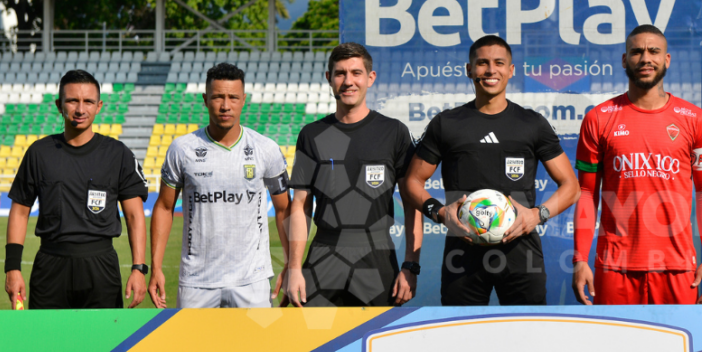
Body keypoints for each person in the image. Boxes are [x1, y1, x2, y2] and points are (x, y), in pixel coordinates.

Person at [403, 35, 579, 306]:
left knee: (528, 330)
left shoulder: (532, 123)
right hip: (462, 255)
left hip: (522, 253)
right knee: (460, 330)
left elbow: (571, 186)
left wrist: (538, 215)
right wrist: (440, 213)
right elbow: (412, 181)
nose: (490, 70)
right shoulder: (446, 123)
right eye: (482, 63)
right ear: (469, 69)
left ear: (511, 70)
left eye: (499, 63)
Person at [572, 25, 702, 305]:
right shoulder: (598, 119)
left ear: (667, 59)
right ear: (624, 59)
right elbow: (587, 194)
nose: (645, 58)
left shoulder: (695, 119)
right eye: (637, 52)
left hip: (678, 266)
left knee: (676, 336)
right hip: (615, 266)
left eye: (654, 51)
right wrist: (580, 258)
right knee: (616, 336)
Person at [283, 42, 421, 307]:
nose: (348, 81)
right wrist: (294, 268)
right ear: (329, 78)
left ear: (370, 77)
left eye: (356, 73)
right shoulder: (311, 135)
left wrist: (410, 266)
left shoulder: (394, 132)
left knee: (377, 333)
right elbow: (300, 206)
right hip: (324, 253)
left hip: (377, 254)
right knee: (315, 332)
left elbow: (412, 204)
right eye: (340, 73)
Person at [147, 62, 291, 309]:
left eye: (233, 97)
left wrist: (291, 265)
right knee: (193, 338)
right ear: (205, 100)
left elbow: (284, 209)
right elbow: (164, 207)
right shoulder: (182, 149)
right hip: (196, 282)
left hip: (252, 281)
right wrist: (156, 267)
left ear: (243, 100)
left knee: (257, 338)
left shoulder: (266, 149)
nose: (225, 105)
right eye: (217, 97)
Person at [4, 69, 148, 309]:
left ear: (99, 106)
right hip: (50, 267)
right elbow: (19, 212)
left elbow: (134, 215)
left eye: (88, 101)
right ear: (59, 105)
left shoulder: (118, 154)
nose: (80, 109)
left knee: (104, 334)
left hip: (101, 268)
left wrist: (139, 268)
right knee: (47, 334)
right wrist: (12, 267)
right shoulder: (39, 153)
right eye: (72, 101)